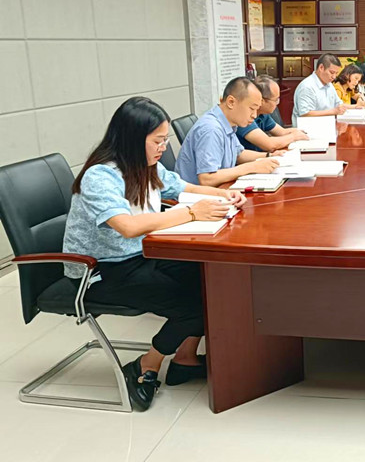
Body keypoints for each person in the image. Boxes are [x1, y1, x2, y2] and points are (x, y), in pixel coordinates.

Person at [63, 97, 247, 411]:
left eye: (165, 140)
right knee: (195, 307)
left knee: (209, 281)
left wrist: (225, 195)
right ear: (133, 140)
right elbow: (127, 227)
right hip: (102, 271)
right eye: (157, 141)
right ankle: (146, 364)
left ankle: (185, 360)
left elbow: (181, 187)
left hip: (142, 254)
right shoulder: (101, 176)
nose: (163, 147)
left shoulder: (146, 165)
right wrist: (192, 214)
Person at [175, 77, 280, 186]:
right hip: (200, 195)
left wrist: (269, 156)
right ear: (231, 102)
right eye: (252, 108)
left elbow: (238, 154)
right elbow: (206, 179)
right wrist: (250, 167)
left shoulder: (227, 123)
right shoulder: (212, 129)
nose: (254, 115)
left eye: (257, 109)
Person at [236, 75, 309, 152]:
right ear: (261, 100)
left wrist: (303, 132)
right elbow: (269, 144)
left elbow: (282, 132)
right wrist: (293, 137)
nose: (277, 103)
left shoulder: (263, 114)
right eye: (275, 100)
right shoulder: (245, 117)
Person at [292, 53, 347, 125]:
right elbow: (305, 114)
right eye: (332, 72)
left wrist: (345, 107)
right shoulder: (307, 86)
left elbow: (338, 103)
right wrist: (333, 111)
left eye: (336, 73)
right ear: (321, 67)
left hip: (326, 125)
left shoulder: (329, 85)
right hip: (308, 128)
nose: (334, 77)